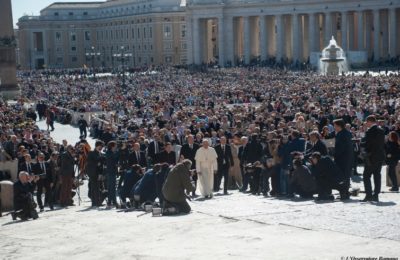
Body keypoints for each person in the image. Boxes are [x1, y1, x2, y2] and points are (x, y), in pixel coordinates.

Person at [361, 115, 386, 202]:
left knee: (366, 176)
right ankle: (376, 195)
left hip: (371, 157)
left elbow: (368, 144)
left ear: (370, 122)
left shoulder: (370, 131)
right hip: (379, 156)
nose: (366, 124)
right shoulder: (381, 130)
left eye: (366, 122)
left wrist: (361, 143)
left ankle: (368, 195)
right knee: (377, 176)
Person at [333, 119, 353, 200]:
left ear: (338, 126)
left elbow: (340, 147)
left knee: (343, 176)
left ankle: (344, 193)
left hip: (343, 158)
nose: (334, 127)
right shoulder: (346, 133)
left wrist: (333, 153)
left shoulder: (342, 134)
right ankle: (345, 192)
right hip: (347, 158)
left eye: (334, 126)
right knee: (345, 176)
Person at [86, 141, 105, 207]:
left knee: (97, 188)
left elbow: (101, 163)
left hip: (98, 173)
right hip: (93, 173)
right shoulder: (91, 152)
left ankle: (97, 202)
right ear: (97, 146)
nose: (101, 148)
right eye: (100, 146)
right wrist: (97, 163)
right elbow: (89, 162)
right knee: (95, 188)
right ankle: (95, 202)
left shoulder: (100, 153)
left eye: (102, 147)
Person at [105, 141, 120, 208]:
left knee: (113, 187)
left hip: (113, 172)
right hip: (110, 172)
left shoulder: (113, 153)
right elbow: (114, 160)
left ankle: (112, 201)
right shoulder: (108, 153)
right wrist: (119, 152)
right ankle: (110, 202)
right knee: (111, 188)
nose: (116, 147)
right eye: (115, 145)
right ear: (112, 146)